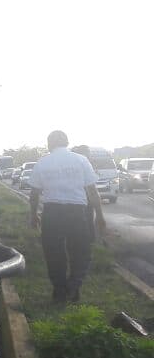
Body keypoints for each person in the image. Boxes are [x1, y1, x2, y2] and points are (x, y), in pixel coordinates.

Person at [29, 130, 106, 304]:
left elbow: (34, 194)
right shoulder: (80, 160)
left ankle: (59, 289)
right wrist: (100, 216)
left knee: (53, 252)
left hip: (51, 212)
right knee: (82, 252)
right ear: (67, 142)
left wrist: (33, 216)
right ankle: (73, 286)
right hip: (77, 212)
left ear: (49, 144)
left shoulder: (42, 163)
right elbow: (92, 191)